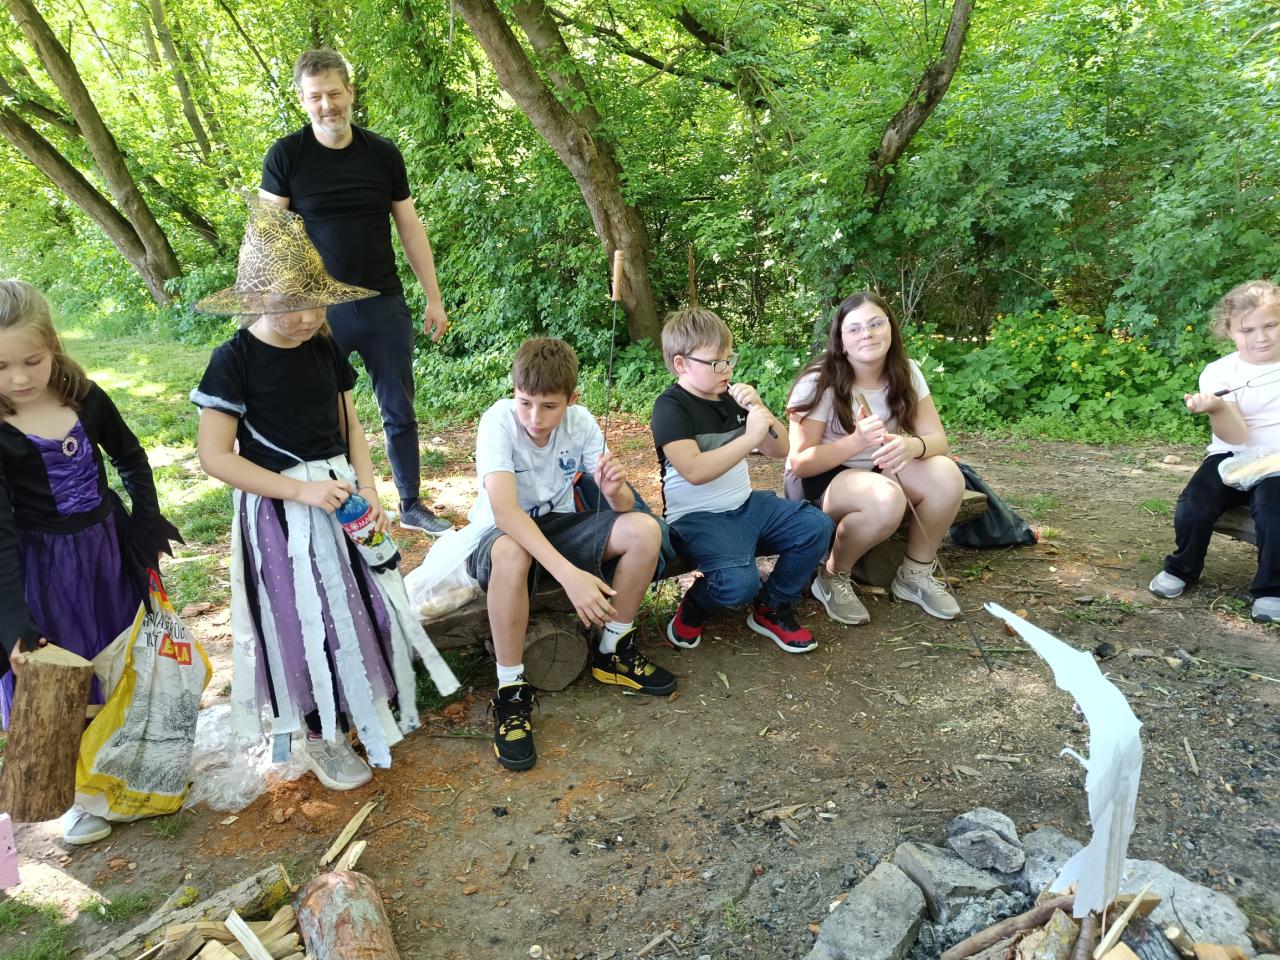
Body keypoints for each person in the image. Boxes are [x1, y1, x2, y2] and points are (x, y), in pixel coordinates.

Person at [192, 198, 458, 793]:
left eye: (316, 302)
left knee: (356, 601)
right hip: (281, 514)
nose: (309, 317)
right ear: (255, 298)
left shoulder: (324, 346)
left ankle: (359, 703)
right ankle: (319, 731)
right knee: (300, 616)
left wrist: (369, 486)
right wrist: (299, 491)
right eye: (292, 305)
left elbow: (351, 425)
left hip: (340, 497)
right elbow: (215, 456)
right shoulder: (233, 361)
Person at [0, 279, 181, 844]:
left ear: (52, 345)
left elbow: (130, 456)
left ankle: (126, 768)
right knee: (64, 672)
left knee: (121, 656)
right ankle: (76, 794)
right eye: (1, 367)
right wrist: (14, 619)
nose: (19, 378)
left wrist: (145, 519)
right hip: (45, 570)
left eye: (31, 361)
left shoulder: (83, 396)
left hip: (107, 552)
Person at [259, 48, 452, 536]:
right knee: (322, 411)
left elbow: (409, 227)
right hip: (321, 312)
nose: (327, 105)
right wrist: (272, 310)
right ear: (302, 100)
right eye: (316, 97)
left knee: (399, 409)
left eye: (334, 93)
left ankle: (411, 503)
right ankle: (341, 506)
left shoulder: (382, 153)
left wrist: (433, 297)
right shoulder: (286, 156)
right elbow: (267, 236)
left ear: (350, 92)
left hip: (383, 302)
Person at [460, 337, 675, 772]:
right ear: (514, 392)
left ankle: (613, 649)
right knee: (513, 553)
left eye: (549, 407)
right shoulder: (498, 421)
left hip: (557, 526)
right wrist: (569, 575)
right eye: (525, 403)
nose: (534, 418)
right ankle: (510, 690)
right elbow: (505, 512)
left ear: (571, 400)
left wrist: (614, 490)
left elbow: (622, 506)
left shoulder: (582, 423)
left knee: (645, 530)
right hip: (500, 535)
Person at [652, 307, 834, 654]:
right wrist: (749, 437)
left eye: (729, 359)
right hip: (697, 518)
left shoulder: (731, 396)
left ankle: (772, 606)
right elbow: (694, 471)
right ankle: (696, 604)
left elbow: (780, 449)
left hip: (746, 506)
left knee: (816, 526)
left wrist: (760, 410)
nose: (728, 369)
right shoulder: (670, 407)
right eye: (716, 363)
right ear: (681, 364)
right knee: (737, 584)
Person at [785, 291, 964, 625]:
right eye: (854, 329)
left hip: (876, 469)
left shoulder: (906, 372)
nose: (866, 334)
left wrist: (911, 446)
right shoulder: (819, 381)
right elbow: (800, 463)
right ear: (841, 340)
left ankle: (915, 575)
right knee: (886, 499)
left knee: (947, 475)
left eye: (875, 324)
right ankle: (832, 576)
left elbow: (938, 440)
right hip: (820, 479)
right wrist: (856, 441)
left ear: (890, 328)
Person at [1149, 280, 1280, 622]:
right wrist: (1218, 409)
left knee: (1274, 514)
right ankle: (1183, 567)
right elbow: (1236, 436)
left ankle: (1271, 589)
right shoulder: (1219, 372)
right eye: (1247, 330)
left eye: (1271, 325)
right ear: (1229, 331)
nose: (1261, 337)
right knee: (1193, 507)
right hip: (1230, 457)